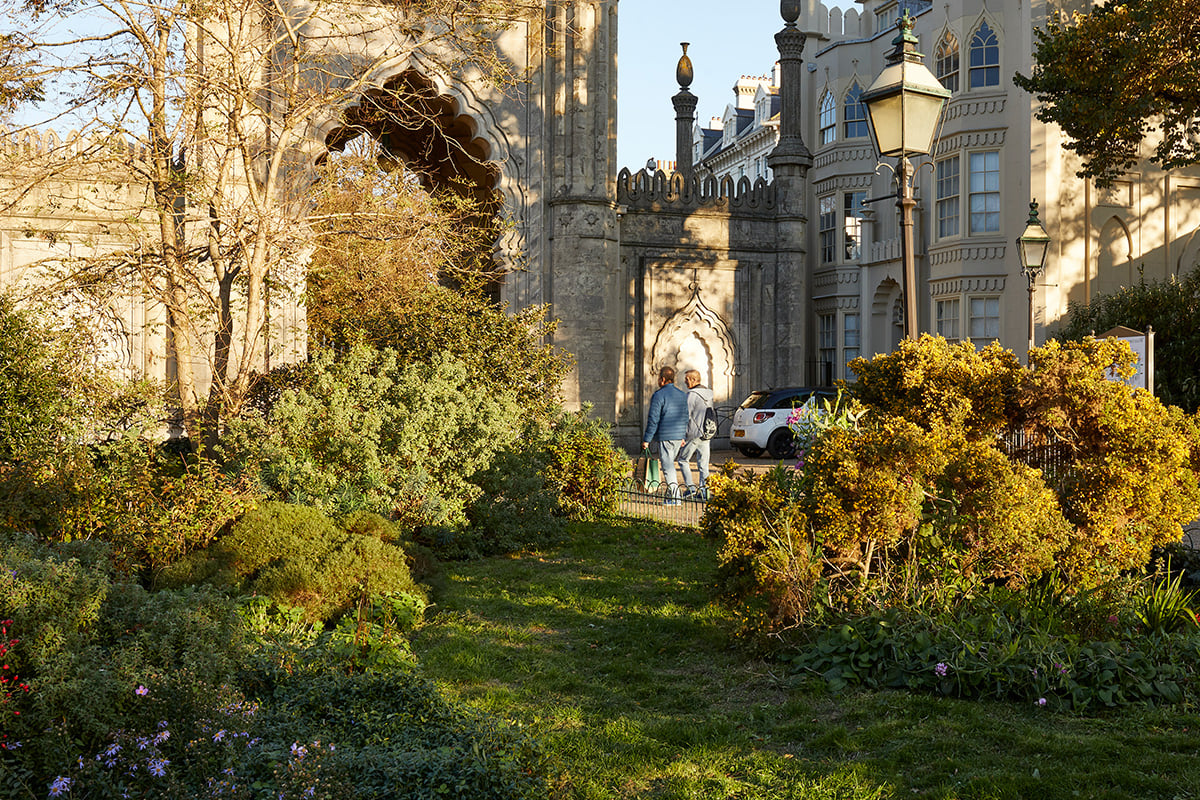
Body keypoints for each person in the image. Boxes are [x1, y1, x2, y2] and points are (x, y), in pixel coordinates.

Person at [642, 365, 688, 505]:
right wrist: (683, 436)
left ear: (662, 379)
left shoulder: (659, 395)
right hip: (678, 436)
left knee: (668, 467)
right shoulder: (682, 395)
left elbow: (653, 419)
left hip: (666, 436)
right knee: (670, 465)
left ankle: (675, 497)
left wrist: (647, 439)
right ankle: (672, 494)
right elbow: (685, 417)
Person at [677, 369, 714, 500]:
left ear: (693, 380)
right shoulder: (709, 394)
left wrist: (682, 435)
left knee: (682, 460)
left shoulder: (692, 395)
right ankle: (704, 492)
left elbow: (685, 416)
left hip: (693, 434)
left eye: (687, 379)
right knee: (703, 465)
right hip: (706, 433)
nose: (685, 382)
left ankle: (691, 488)